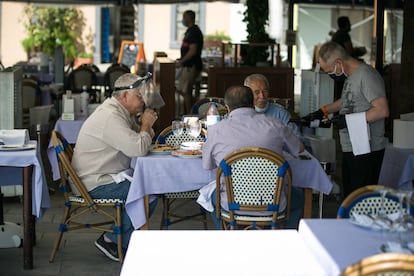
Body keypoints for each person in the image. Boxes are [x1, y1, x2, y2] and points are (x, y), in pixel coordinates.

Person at [71, 73, 159, 261]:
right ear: (125, 96)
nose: (143, 99)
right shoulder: (111, 116)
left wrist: (144, 126)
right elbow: (139, 148)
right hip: (93, 183)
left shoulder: (120, 112)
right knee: (146, 193)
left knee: (146, 188)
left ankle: (119, 238)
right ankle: (112, 240)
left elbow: (138, 138)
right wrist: (145, 125)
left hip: (101, 175)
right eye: (139, 95)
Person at [198, 85, 305, 229]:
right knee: (299, 197)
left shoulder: (216, 129)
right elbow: (299, 149)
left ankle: (227, 235)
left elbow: (207, 165)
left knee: (212, 201)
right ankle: (283, 238)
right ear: (252, 103)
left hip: (231, 203)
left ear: (227, 107)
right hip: (274, 203)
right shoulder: (275, 124)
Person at [304, 41, 389, 198]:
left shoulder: (367, 75)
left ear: (338, 63)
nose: (329, 74)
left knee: (360, 200)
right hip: (352, 146)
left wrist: (349, 120)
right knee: (350, 196)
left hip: (367, 149)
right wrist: (322, 111)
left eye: (328, 70)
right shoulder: (351, 76)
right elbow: (347, 100)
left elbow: (382, 110)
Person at [243, 73, 301, 138]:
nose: (262, 96)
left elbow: (297, 138)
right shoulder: (240, 113)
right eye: (257, 92)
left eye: (265, 91)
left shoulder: (280, 113)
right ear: (248, 94)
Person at [176, 10, 204, 115]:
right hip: (186, 65)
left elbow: (193, 50)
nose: (182, 20)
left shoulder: (194, 32)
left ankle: (190, 114)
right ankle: (188, 111)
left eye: (184, 17)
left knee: (186, 91)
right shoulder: (189, 31)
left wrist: (182, 61)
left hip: (191, 66)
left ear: (189, 18)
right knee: (184, 91)